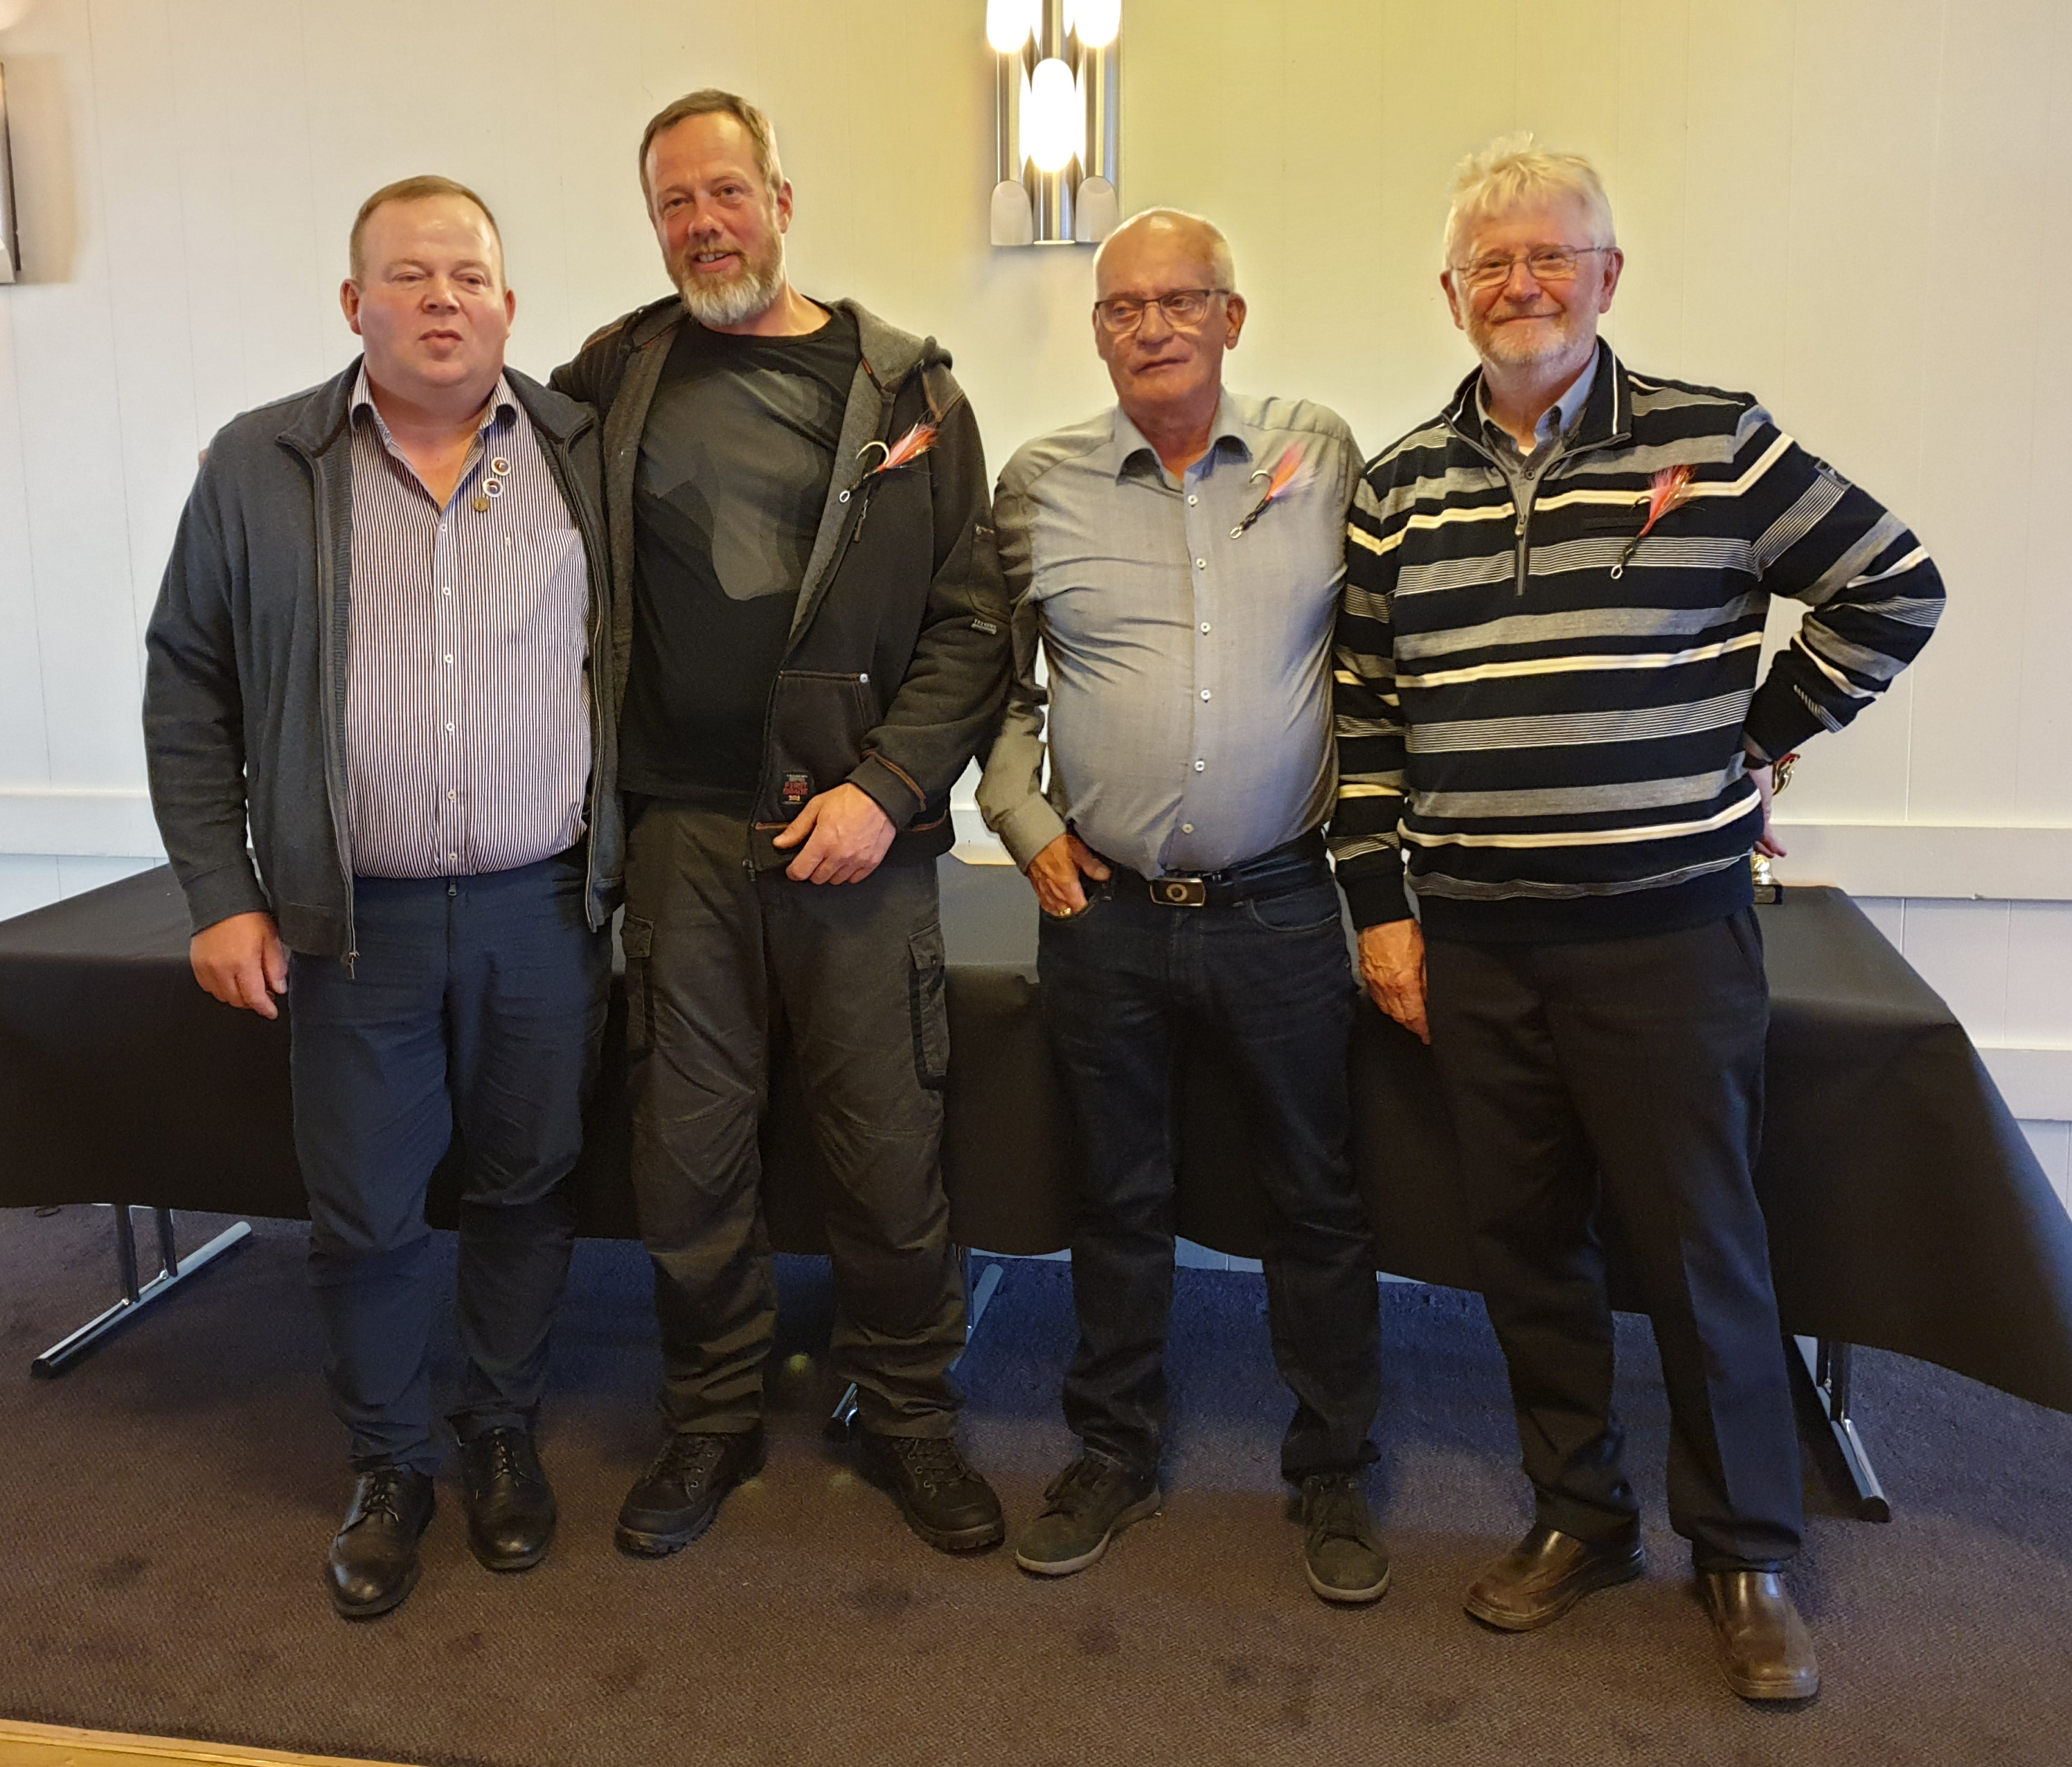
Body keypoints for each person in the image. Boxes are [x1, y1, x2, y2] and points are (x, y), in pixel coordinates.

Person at [1333, 136, 1945, 1699]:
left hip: (1664, 934)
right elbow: (1367, 717)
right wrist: (1381, 913)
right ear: (1450, 294)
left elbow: (1893, 585)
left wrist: (1757, 735)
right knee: (1526, 1250)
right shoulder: (1396, 488)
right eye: (1490, 263)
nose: (1521, 284)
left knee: (1699, 1249)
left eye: (1551, 255)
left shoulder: (1712, 441)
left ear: (1607, 276)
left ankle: (1742, 1552)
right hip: (1476, 942)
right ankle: (1580, 1516)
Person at [143, 177, 619, 1619]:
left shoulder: (583, 452)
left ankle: (498, 1430)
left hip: (544, 907)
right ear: (354, 303)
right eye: (408, 276)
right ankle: (390, 1462)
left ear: (508, 305)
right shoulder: (262, 462)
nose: (441, 300)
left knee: (528, 1186)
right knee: (363, 1212)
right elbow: (189, 681)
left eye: (467, 276)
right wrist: (220, 890)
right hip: (357, 922)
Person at [550, 90, 1012, 1557]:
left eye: (726, 193)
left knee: (886, 1150)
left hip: (856, 841)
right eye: (674, 203)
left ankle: (913, 1416)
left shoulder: (907, 392)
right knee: (686, 1157)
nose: (703, 224)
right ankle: (711, 1415)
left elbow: (973, 624)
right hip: (678, 843)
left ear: (782, 202)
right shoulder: (610, 377)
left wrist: (887, 790)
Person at [977, 209, 1385, 1603]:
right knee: (1116, 1194)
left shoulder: (1320, 457)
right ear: (1097, 330)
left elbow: (1379, 657)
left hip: (1280, 902)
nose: (1150, 327)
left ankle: (1333, 1465)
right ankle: (1113, 1450)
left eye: (1179, 300)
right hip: (1106, 913)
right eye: (1122, 307)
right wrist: (1022, 813)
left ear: (1231, 317)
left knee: (1316, 1198)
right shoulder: (1038, 485)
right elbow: (993, 681)